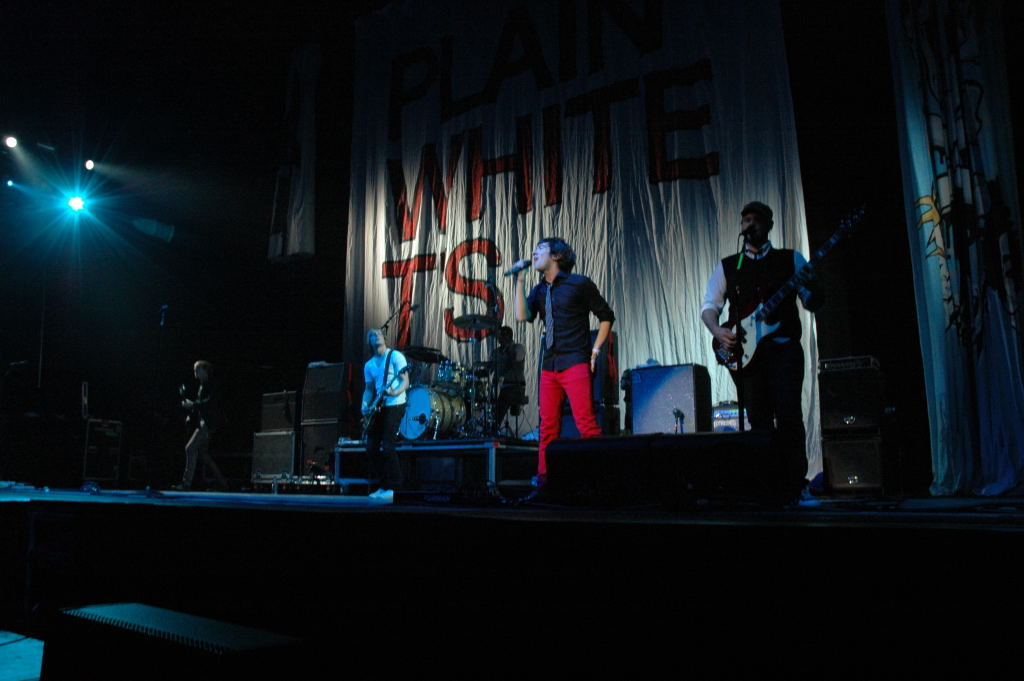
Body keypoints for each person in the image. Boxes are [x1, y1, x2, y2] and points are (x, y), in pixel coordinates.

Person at [700, 201, 823, 497]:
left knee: (789, 414)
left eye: (756, 219)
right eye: (746, 220)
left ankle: (795, 483)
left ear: (769, 226)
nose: (750, 224)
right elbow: (709, 307)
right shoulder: (729, 265)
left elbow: (811, 301)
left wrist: (811, 289)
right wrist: (718, 331)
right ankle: (767, 484)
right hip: (747, 357)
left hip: (783, 349)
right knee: (758, 418)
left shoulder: (790, 259)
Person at [513, 237, 615, 486]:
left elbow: (606, 316)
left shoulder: (579, 284)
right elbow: (522, 315)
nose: (534, 253)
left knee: (586, 423)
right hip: (550, 366)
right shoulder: (539, 290)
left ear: (556, 256)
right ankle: (544, 477)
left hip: (575, 361)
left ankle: (599, 478)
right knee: (547, 427)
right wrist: (519, 280)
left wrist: (595, 351)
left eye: (540, 249)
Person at [360, 328, 409, 502]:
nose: (376, 336)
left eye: (379, 334)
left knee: (388, 446)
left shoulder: (395, 356)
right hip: (378, 407)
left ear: (384, 338)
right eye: (372, 335)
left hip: (395, 403)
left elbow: (405, 381)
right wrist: (364, 405)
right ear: (370, 342)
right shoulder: (369, 365)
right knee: (371, 447)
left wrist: (394, 392)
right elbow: (369, 389)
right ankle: (383, 485)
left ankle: (396, 488)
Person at [178, 360, 228, 491]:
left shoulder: (213, 384)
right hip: (204, 423)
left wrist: (193, 405)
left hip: (208, 424)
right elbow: (201, 404)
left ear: (205, 370)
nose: (195, 372)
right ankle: (223, 483)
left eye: (197, 369)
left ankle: (186, 484)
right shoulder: (202, 385)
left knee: (190, 448)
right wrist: (191, 409)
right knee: (204, 455)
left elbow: (210, 402)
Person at [489, 325, 527, 432]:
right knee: (491, 401)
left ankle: (494, 428)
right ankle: (492, 427)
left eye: (500, 336)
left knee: (501, 403)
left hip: (516, 386)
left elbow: (514, 363)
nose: (498, 339)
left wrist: (507, 348)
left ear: (506, 336)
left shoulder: (518, 348)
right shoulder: (497, 352)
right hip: (504, 387)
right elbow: (491, 370)